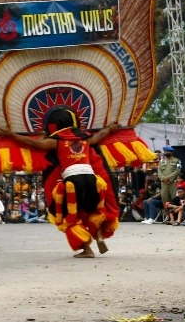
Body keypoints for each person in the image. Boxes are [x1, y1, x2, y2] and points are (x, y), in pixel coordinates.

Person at [7, 107, 121, 258]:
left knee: (70, 215)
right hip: (92, 180)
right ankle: (98, 235)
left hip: (72, 182)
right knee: (93, 210)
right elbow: (100, 135)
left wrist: (11, 135)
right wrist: (110, 128)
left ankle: (86, 249)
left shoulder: (57, 141)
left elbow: (30, 142)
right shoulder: (85, 138)